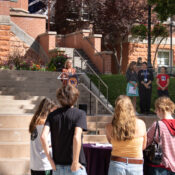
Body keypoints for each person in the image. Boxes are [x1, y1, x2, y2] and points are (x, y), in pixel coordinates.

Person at [41, 85, 87, 175]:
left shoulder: (52, 115)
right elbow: (76, 137)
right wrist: (75, 161)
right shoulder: (80, 114)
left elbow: (43, 136)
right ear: (75, 97)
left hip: (57, 166)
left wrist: (50, 160)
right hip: (74, 166)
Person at [106, 95, 147, 175]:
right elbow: (143, 146)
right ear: (131, 107)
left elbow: (111, 142)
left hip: (117, 163)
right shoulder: (141, 124)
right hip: (136, 164)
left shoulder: (109, 127)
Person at [146, 96, 175, 174]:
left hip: (160, 167)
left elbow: (145, 143)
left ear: (159, 109)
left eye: (156, 109)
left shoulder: (158, 125)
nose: (155, 112)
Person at [29, 98, 57, 175]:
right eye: (54, 111)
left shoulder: (35, 123)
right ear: (49, 110)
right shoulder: (45, 125)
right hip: (45, 165)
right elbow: (44, 139)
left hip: (35, 165)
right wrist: (51, 161)